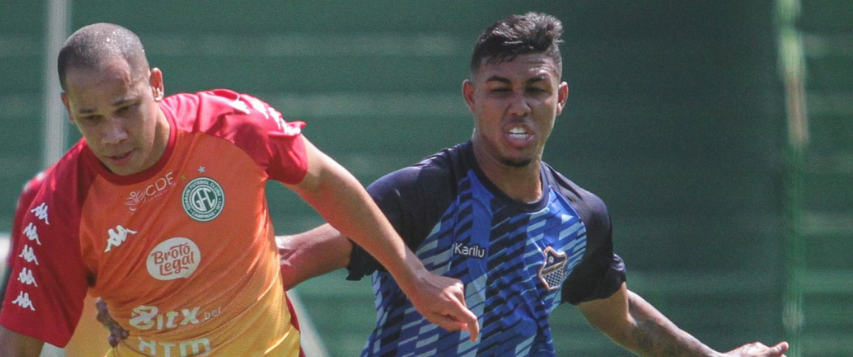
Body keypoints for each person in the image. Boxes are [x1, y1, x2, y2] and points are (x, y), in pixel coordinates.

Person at [104, 11, 791, 357]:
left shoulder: (580, 216)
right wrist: (150, 310)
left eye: (534, 89)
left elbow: (623, 314)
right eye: (499, 90)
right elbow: (286, 259)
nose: (516, 105)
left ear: (562, 99)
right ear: (471, 96)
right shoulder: (422, 193)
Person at [0, 22, 479, 357]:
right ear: (68, 109)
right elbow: (14, 344)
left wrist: (412, 276)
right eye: (91, 118)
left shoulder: (233, 126)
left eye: (125, 107)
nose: (112, 133)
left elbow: (326, 182)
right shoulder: (59, 205)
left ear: (155, 84)